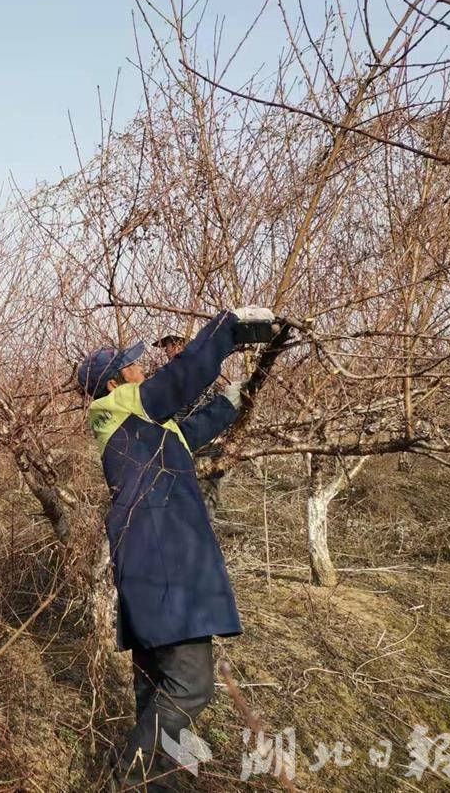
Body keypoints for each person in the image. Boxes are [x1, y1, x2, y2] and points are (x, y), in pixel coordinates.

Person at [79, 307, 272, 791]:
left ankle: (157, 783)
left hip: (154, 563)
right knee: (191, 684)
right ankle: (131, 779)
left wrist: (232, 400)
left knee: (157, 686)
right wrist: (229, 327)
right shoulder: (116, 408)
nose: (141, 368)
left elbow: (190, 433)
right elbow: (182, 379)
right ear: (112, 384)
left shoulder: (142, 430)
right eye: (131, 366)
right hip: (163, 565)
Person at [152, 333, 227, 521]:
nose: (168, 351)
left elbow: (215, 416)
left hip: (205, 454)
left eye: (169, 346)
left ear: (180, 346)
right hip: (175, 455)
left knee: (202, 514)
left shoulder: (205, 378)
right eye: (167, 347)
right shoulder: (163, 379)